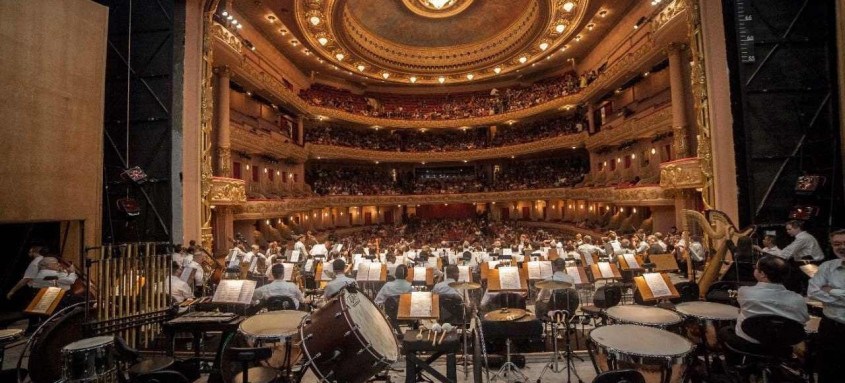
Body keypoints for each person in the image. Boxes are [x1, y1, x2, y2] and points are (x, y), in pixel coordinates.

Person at [718, 255, 808, 359]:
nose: (754, 269)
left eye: (756, 268)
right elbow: (802, 321)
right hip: (782, 347)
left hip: (749, 344)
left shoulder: (745, 292)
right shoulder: (798, 299)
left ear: (763, 274)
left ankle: (735, 366)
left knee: (724, 331)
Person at [807, 229, 845, 383]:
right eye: (837, 244)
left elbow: (820, 291)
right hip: (831, 329)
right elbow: (813, 292)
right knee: (828, 373)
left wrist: (831, 290)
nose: (841, 247)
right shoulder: (827, 267)